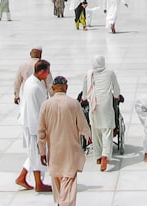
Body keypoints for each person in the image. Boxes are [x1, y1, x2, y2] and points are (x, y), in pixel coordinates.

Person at [38, 75, 91, 206]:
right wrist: (88, 136)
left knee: (57, 179)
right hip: (70, 150)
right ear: (66, 87)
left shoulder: (46, 105)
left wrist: (42, 151)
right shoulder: (74, 103)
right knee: (69, 179)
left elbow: (41, 132)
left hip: (54, 151)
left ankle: (61, 202)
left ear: (53, 88)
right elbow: (83, 125)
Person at [16, 60, 53, 192]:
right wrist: (39, 131)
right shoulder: (34, 87)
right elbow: (34, 110)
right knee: (37, 153)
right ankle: (38, 183)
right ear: (41, 72)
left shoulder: (34, 81)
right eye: (48, 72)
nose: (49, 74)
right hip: (33, 125)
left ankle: (22, 177)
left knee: (34, 153)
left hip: (31, 122)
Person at [83, 55, 122, 171]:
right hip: (106, 104)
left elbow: (85, 92)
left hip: (93, 104)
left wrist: (85, 98)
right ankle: (105, 155)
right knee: (107, 130)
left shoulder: (89, 74)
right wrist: (116, 96)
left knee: (95, 130)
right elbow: (116, 89)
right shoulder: (110, 73)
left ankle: (98, 156)